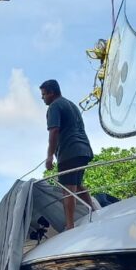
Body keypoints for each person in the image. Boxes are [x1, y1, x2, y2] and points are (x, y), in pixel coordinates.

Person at [41, 79, 95, 230]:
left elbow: (54, 131)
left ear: (51, 93)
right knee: (77, 183)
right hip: (84, 149)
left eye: (44, 94)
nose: (42, 98)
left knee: (68, 188)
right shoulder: (71, 104)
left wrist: (50, 155)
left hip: (70, 151)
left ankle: (70, 225)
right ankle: (95, 211)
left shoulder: (54, 106)